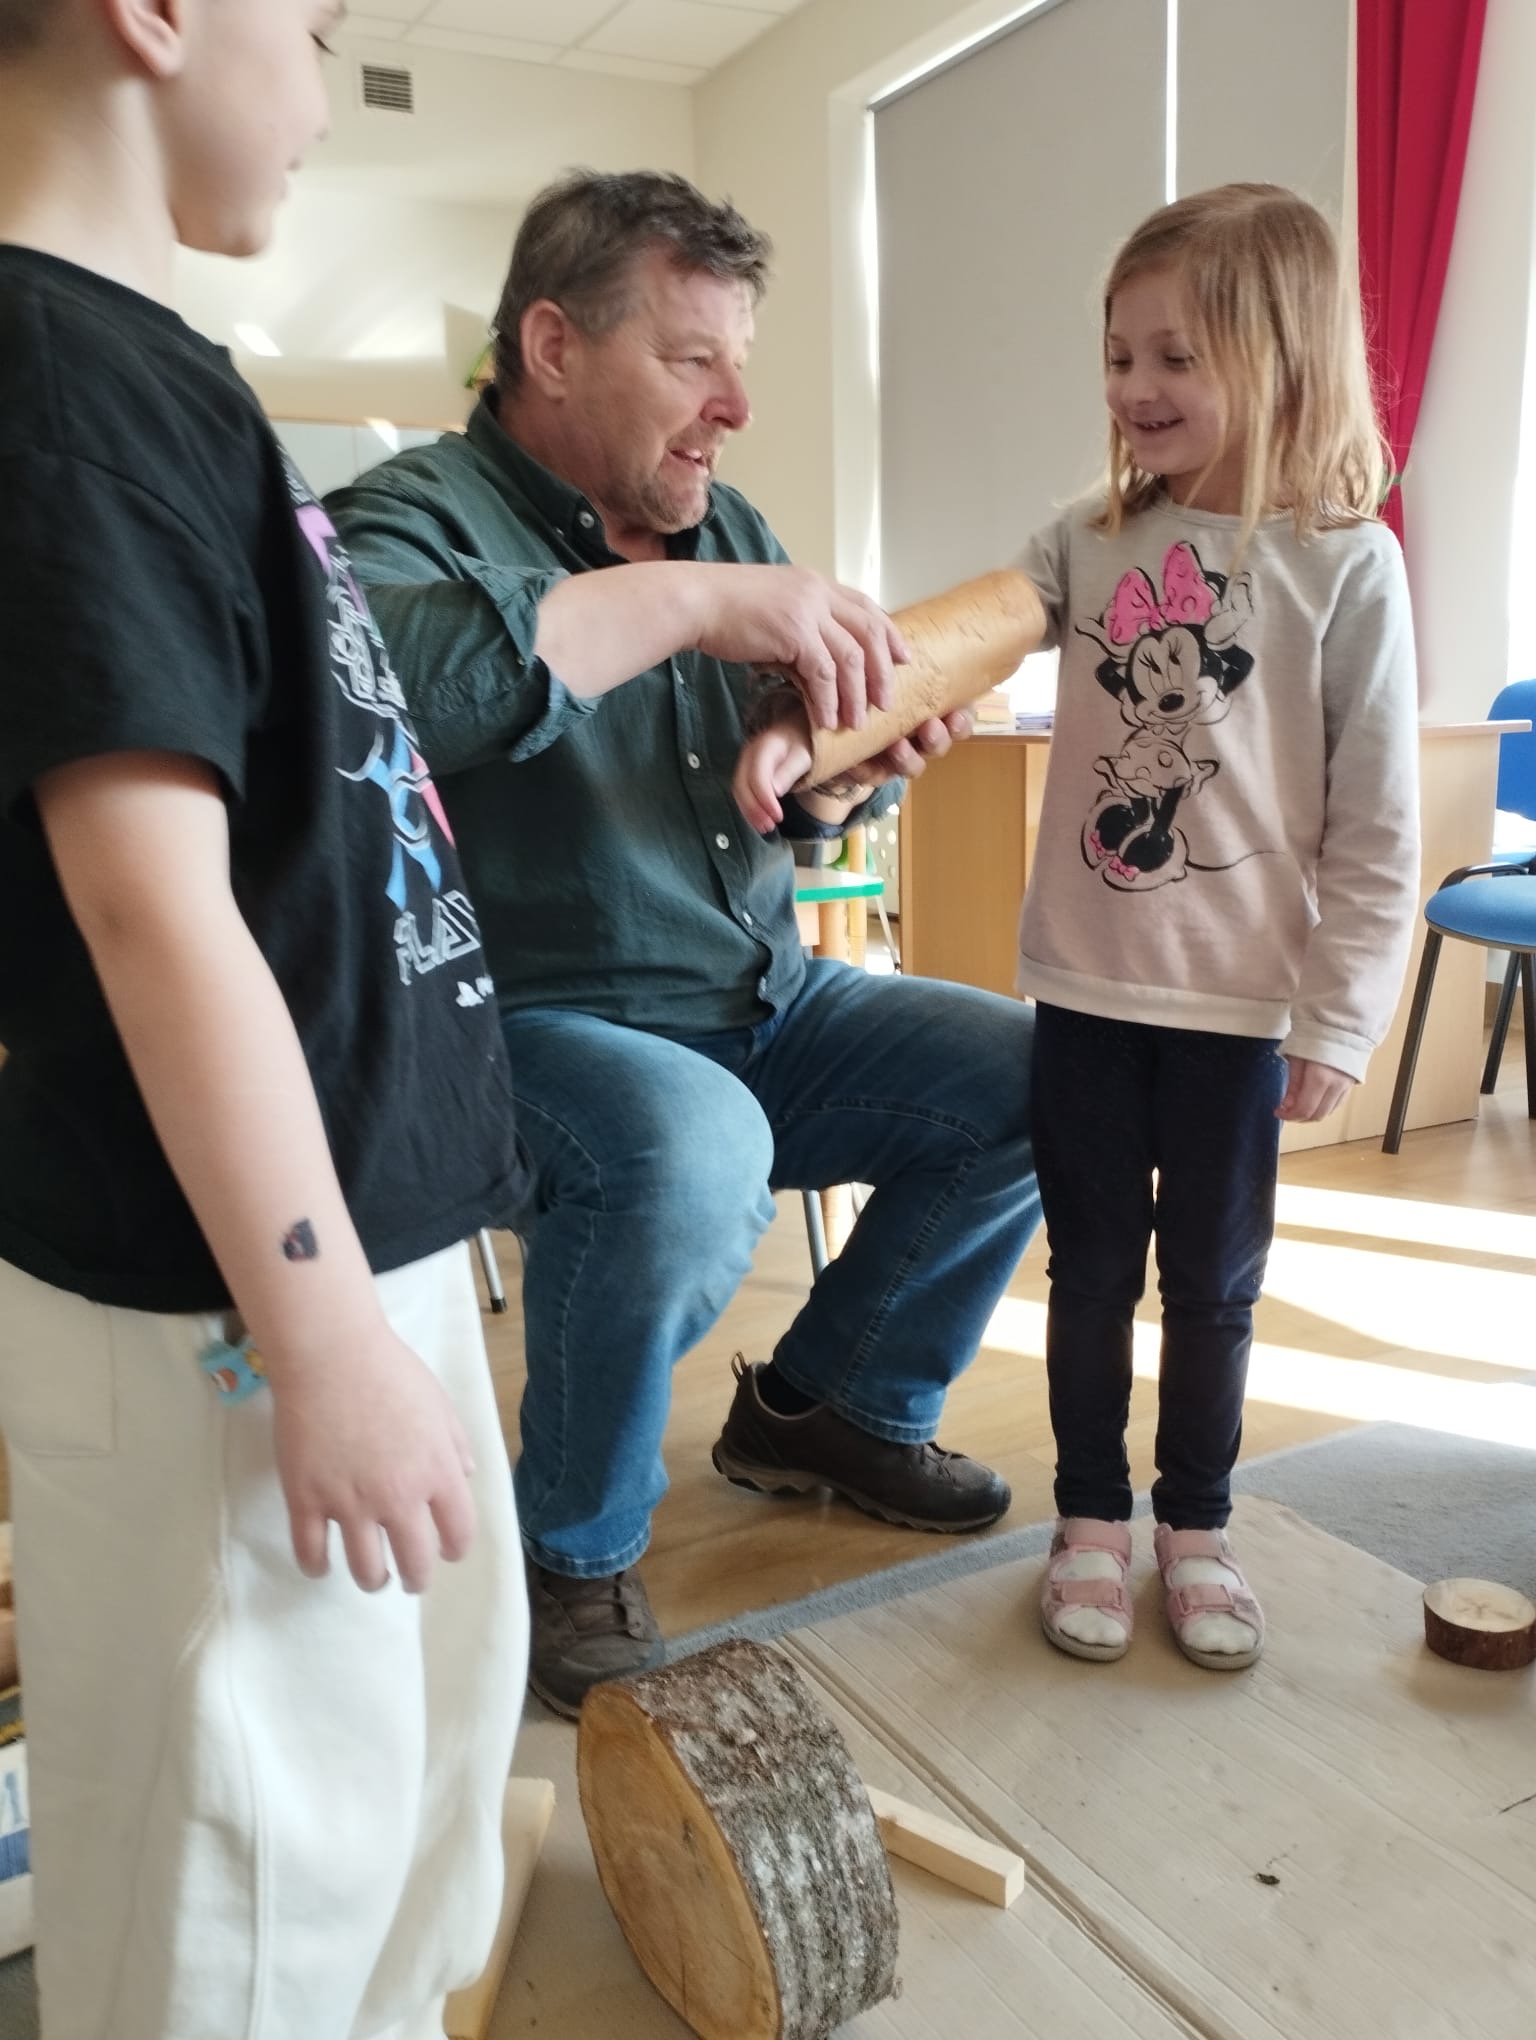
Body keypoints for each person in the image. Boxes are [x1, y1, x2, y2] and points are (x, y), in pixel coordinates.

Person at [328, 170, 1043, 1719]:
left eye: (740, 362)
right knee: (688, 1145)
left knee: (1040, 1075)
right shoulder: (408, 519)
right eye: (691, 358)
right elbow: (392, 691)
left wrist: (840, 786)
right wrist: (695, 599)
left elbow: (778, 808)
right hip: (528, 1033)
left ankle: (831, 1407)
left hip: (763, 1003)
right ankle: (569, 1550)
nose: (734, 406)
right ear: (554, 346)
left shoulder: (726, 526)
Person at [0, 5, 534, 2033]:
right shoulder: (53, 378)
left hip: (339, 1243)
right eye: (313, 26)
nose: (321, 88)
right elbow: (148, 904)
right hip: (232, 1298)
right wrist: (312, 1333)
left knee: (411, 1791)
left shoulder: (151, 373)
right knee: (246, 1861)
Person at [1015, 185, 1418, 1669]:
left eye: (1176, 357)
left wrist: (1342, 1016)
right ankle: (1089, 1519)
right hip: (1085, 988)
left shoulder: (1347, 563)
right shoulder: (1085, 538)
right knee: (1088, 1277)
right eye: (1120, 356)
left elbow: (1378, 824)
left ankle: (1196, 1525)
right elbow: (965, 636)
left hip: (1239, 1011)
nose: (1137, 387)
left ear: (1282, 357)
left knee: (1214, 1289)